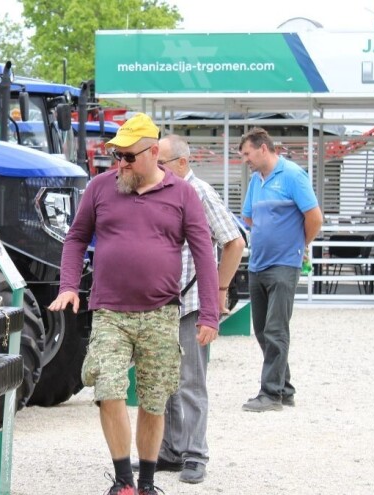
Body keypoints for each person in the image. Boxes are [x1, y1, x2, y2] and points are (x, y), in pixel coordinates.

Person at [49, 114, 219, 495]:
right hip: (110, 312)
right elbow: (76, 239)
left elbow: (205, 254)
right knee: (108, 389)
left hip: (161, 314)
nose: (120, 164)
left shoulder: (183, 194)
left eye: (128, 156)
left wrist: (209, 312)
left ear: (154, 152)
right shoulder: (99, 188)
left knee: (154, 400)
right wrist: (69, 286)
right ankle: (123, 480)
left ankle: (146, 484)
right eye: (116, 155)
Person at [142, 134, 246, 484]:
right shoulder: (159, 191)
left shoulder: (199, 192)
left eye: (161, 163)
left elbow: (234, 242)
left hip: (189, 304)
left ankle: (196, 454)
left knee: (191, 382)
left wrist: (218, 289)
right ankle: (171, 450)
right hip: (160, 305)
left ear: (182, 164)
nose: (154, 169)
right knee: (165, 379)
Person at [239, 127, 323, 413]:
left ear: (264, 148)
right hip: (258, 263)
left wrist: (298, 245)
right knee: (262, 330)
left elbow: (314, 217)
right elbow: (248, 216)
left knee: (276, 329)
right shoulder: (255, 180)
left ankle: (270, 394)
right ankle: (285, 389)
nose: (245, 160)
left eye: (247, 154)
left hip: (284, 264)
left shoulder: (293, 175)